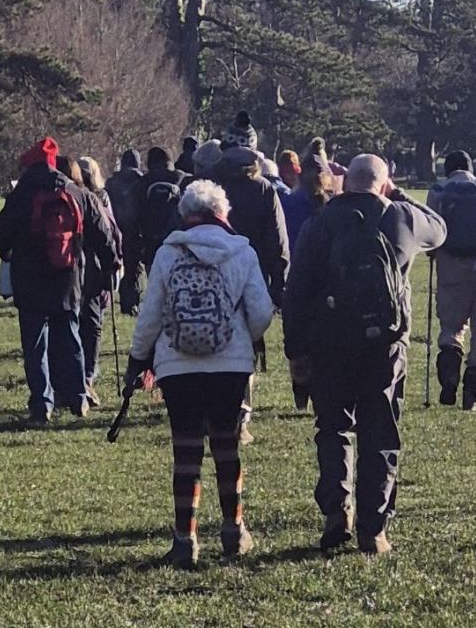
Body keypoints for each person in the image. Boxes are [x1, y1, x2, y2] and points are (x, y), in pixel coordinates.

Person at [283, 153, 447, 556]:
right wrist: (399, 194)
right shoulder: (401, 219)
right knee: (380, 431)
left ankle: (337, 511)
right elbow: (440, 230)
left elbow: (296, 292)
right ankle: (374, 530)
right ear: (383, 183)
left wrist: (296, 351)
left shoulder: (318, 224)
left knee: (333, 427)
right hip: (385, 344)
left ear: (345, 183)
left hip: (329, 342)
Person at [126, 180, 275, 568]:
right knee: (227, 447)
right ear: (222, 213)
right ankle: (233, 531)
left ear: (185, 214)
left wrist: (139, 357)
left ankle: (184, 539)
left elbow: (151, 315)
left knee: (186, 451)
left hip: (177, 367)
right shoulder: (242, 252)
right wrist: (242, 337)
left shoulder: (167, 254)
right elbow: (261, 312)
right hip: (230, 366)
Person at [0, 136, 90, 426]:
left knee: (35, 343)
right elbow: (98, 227)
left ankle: (42, 404)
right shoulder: (74, 190)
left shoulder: (22, 193)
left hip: (30, 277)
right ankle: (78, 396)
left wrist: (9, 254)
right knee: (70, 334)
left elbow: (1, 234)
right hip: (67, 275)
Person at [427, 149, 476, 410]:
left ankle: (449, 372)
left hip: (451, 267)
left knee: (452, 326)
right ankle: (473, 391)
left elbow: (431, 234)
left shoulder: (438, 191)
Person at [216, 112, 290, 307]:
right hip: (253, 276)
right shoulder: (263, 189)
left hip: (207, 276)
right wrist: (279, 283)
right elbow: (277, 239)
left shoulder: (203, 182)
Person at [70, 156, 122, 405]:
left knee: (70, 324)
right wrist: (114, 262)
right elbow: (110, 231)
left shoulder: (67, 195)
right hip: (93, 269)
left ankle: (72, 379)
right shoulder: (99, 198)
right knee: (92, 324)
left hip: (67, 268)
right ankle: (87, 376)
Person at [132, 146, 188, 282]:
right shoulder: (182, 179)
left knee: (155, 285)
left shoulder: (142, 183)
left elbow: (135, 215)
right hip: (177, 243)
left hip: (151, 244)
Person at [107, 148, 147, 313]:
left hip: (114, 228)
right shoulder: (142, 182)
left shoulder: (111, 182)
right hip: (134, 229)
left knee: (114, 265)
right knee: (133, 268)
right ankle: (131, 302)